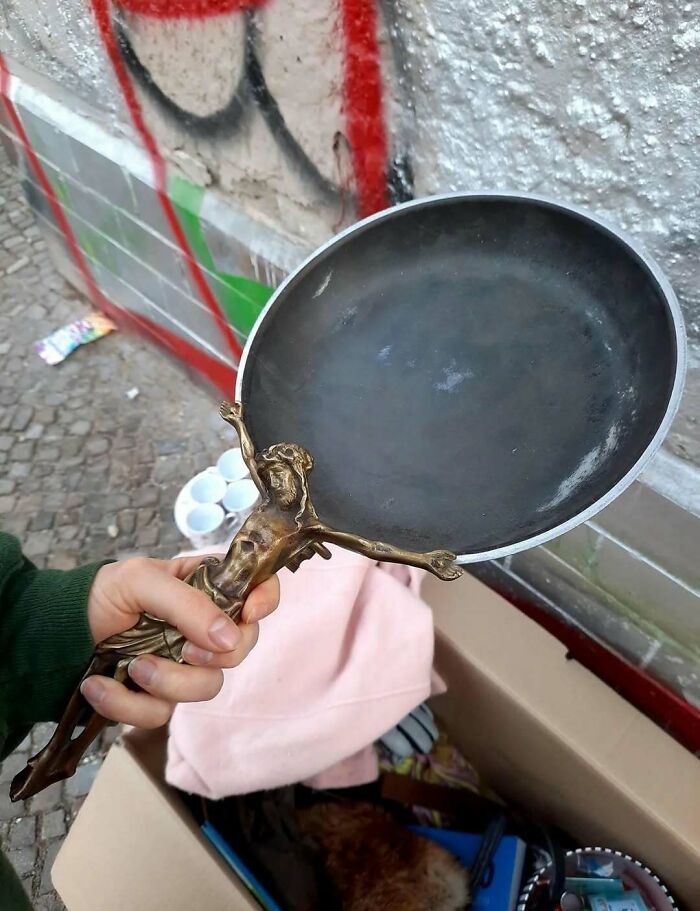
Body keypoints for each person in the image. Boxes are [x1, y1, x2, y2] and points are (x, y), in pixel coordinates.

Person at [0, 531, 280, 910]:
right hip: (160, 630)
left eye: (257, 546)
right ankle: (59, 752)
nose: (249, 545)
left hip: (166, 634)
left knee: (117, 682)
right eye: (249, 541)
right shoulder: (215, 570)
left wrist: (57, 620)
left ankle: (65, 754)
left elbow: (16, 616)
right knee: (111, 669)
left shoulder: (228, 576)